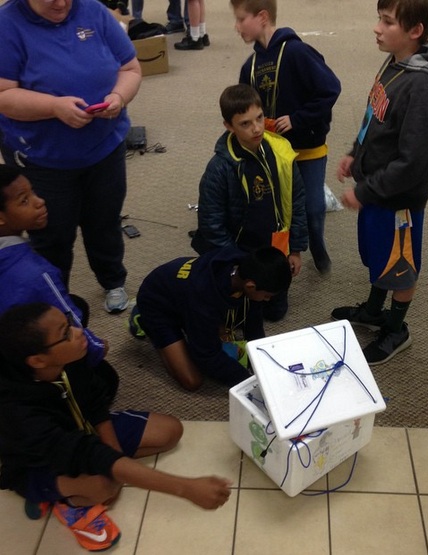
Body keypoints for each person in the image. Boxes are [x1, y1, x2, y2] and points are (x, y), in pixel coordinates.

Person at [0, 303, 232, 551]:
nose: (78, 332)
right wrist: (186, 488)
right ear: (37, 360)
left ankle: (100, 473)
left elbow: (95, 402)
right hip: (39, 463)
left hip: (81, 432)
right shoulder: (16, 412)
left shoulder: (71, 357)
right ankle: (65, 502)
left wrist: (114, 453)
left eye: (69, 323)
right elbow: (85, 453)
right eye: (65, 333)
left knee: (170, 431)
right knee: (103, 486)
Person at [330, 0, 428, 365]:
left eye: (387, 22)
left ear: (415, 31)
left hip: (398, 198)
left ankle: (397, 329)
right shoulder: (396, 61)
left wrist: (365, 190)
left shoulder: (422, 87)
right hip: (378, 187)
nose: (377, 28)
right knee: (378, 256)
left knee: (400, 267)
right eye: (380, 19)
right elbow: (375, 116)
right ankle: (374, 310)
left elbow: (413, 163)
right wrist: (356, 152)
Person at [0, 0, 142, 314]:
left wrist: (118, 97)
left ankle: (113, 280)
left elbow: (130, 68)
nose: (62, 3)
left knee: (104, 221)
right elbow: (3, 94)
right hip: (42, 158)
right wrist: (53, 107)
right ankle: (54, 300)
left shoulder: (93, 10)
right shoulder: (6, 24)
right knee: (52, 235)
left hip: (105, 147)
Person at [232, 0, 341, 274]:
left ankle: (317, 246)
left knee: (312, 210)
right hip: (273, 153)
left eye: (241, 19)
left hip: (308, 149)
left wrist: (297, 119)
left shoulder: (297, 52)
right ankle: (282, 260)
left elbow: (330, 88)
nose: (236, 27)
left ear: (262, 17)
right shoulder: (249, 66)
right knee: (278, 210)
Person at [191, 83, 307, 321]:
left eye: (260, 118)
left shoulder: (281, 151)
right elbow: (211, 224)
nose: (257, 128)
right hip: (240, 252)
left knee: (275, 312)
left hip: (275, 247)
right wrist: (241, 264)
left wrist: (295, 249)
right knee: (236, 314)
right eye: (245, 124)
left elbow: (296, 201)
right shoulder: (219, 169)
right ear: (229, 126)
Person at [132, 245, 293, 391]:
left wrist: (263, 361)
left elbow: (253, 324)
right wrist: (250, 383)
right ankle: (144, 321)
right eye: (267, 296)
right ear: (250, 286)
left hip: (182, 291)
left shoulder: (247, 266)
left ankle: (187, 323)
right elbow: (207, 357)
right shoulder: (203, 301)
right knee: (192, 381)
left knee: (220, 333)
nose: (268, 300)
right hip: (156, 303)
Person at [0, 165, 108, 369]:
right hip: (22, 361)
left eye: (33, 191)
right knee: (105, 376)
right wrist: (98, 348)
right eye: (24, 200)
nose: (39, 201)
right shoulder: (38, 273)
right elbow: (70, 319)